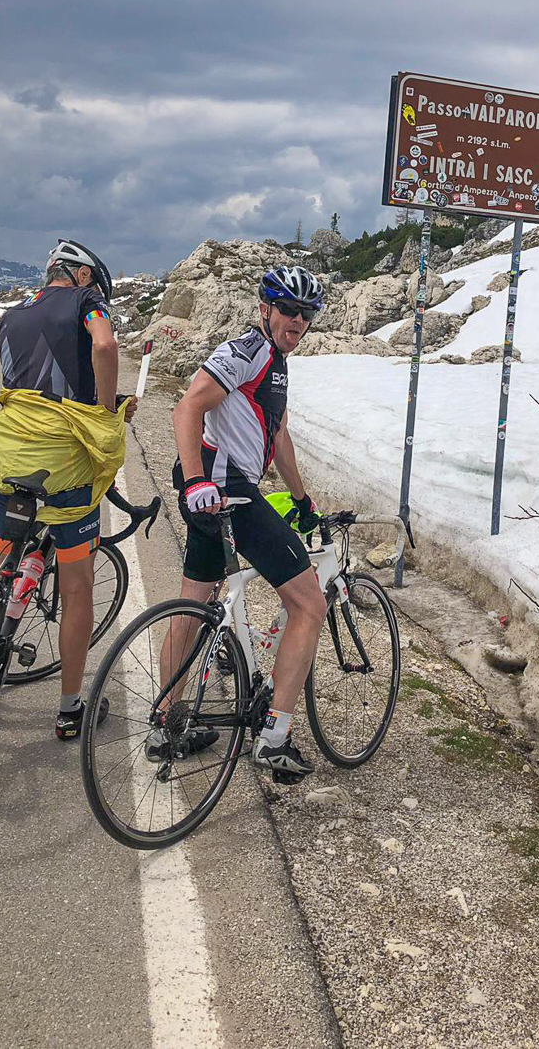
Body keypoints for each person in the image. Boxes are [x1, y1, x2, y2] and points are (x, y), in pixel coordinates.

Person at [157, 264, 327, 782]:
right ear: (265, 309)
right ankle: (275, 737)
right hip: (223, 490)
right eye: (288, 310)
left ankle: (166, 725)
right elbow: (187, 408)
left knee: (194, 601)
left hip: (220, 493)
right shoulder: (246, 351)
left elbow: (277, 438)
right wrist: (193, 482)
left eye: (307, 313)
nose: (297, 320)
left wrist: (302, 500)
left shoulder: (276, 363)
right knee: (310, 604)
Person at [0, 239, 134, 739]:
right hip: (62, 467)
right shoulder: (86, 303)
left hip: (8, 454)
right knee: (77, 587)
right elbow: (105, 346)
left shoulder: (10, 314)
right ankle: (70, 709)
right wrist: (106, 412)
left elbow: (28, 383)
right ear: (83, 276)